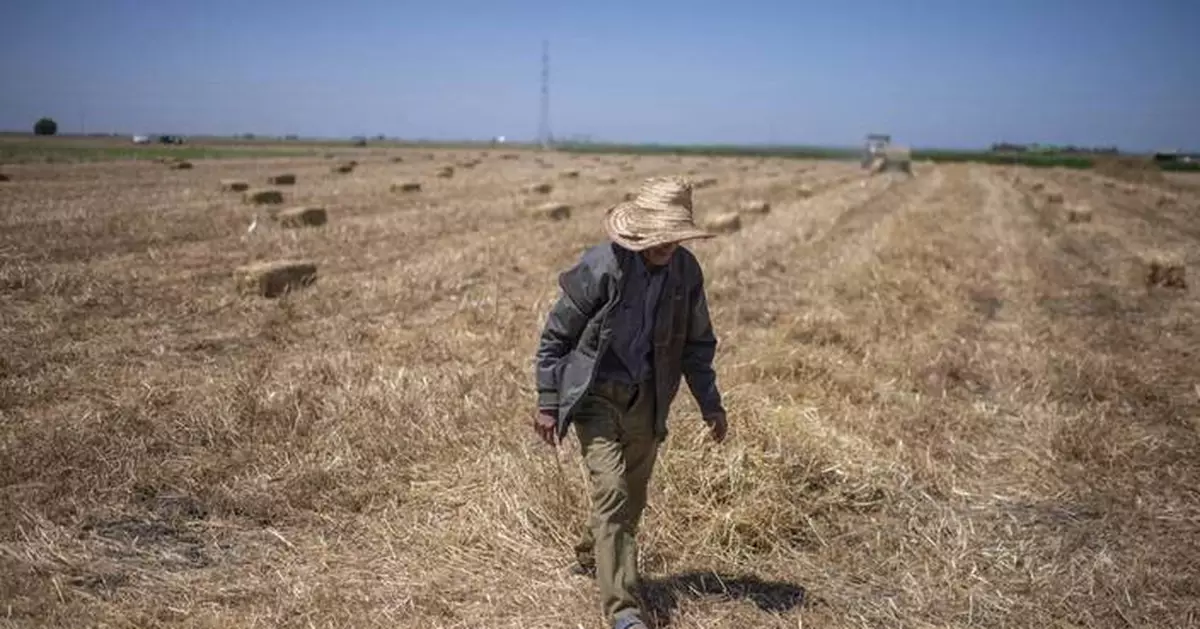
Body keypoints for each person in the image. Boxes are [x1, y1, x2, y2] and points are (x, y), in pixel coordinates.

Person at [533, 175, 729, 629]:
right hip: (596, 398)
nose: (666, 246)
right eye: (658, 237)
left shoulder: (686, 274)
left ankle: (591, 553)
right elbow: (555, 336)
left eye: (673, 238)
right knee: (614, 493)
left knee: (629, 502)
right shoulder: (602, 267)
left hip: (649, 399)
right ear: (637, 230)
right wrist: (547, 400)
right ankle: (623, 611)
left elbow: (697, 345)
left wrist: (710, 404)